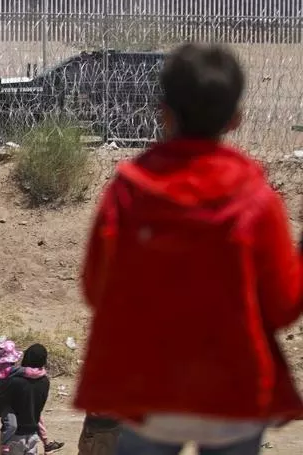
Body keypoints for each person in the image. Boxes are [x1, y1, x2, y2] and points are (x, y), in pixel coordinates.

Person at [76, 43, 303, 454]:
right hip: (233, 391)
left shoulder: (128, 193)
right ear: (235, 119)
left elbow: (96, 290)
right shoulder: (256, 199)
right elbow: (285, 307)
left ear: (163, 112)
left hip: (150, 387)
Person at [0, 340, 63, 453]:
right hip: (33, 434)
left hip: (14, 436)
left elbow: (0, 407)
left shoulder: (14, 381)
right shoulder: (45, 381)